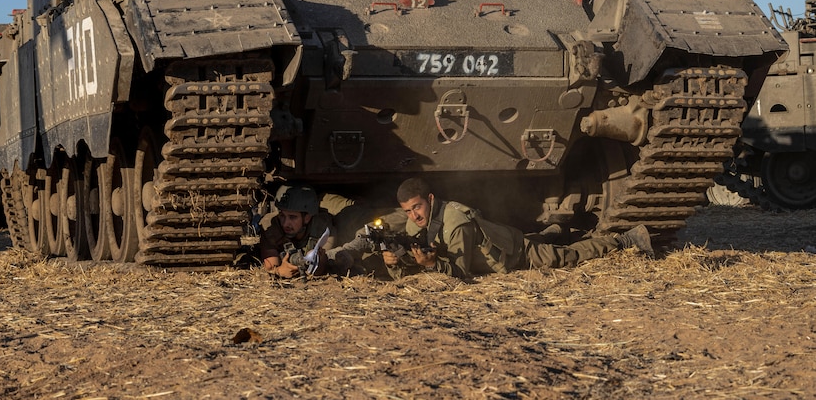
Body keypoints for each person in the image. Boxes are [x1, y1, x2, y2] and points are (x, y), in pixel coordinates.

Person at [382, 177, 654, 280]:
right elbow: (410, 272)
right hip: (499, 243)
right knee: (548, 243)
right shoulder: (413, 224)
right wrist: (396, 262)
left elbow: (458, 273)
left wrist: (430, 266)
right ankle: (557, 232)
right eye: (407, 210)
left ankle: (625, 240)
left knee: (562, 257)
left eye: (417, 207)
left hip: (512, 253)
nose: (413, 215)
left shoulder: (455, 222)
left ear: (430, 200)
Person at [259, 185, 335, 278]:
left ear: (307, 218)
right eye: (282, 216)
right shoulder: (270, 226)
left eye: (292, 217)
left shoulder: (322, 227)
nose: (285, 223)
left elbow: (322, 266)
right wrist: (279, 271)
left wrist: (318, 261)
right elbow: (270, 266)